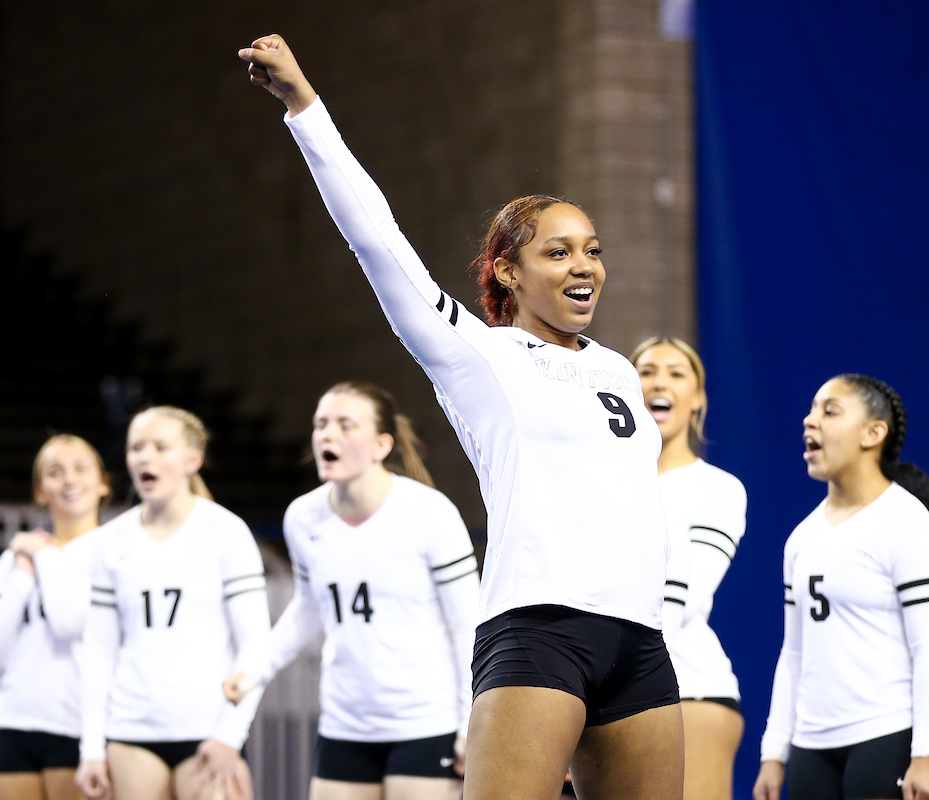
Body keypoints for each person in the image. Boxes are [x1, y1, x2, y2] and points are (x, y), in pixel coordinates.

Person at [238, 35, 682, 800]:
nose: (585, 267)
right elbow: (377, 242)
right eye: (559, 252)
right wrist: (303, 107)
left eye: (594, 251)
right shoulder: (481, 357)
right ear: (509, 270)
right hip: (539, 632)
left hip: (638, 641)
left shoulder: (616, 368)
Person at [222, 382, 478, 800]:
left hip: (424, 724)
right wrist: (255, 671)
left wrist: (471, 725)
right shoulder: (303, 517)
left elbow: (468, 624)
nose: (328, 434)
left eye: (345, 425)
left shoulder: (429, 513)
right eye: (321, 424)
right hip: (344, 724)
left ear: (380, 445)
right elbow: (309, 605)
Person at [754, 375, 929, 800]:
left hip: (889, 735)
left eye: (830, 411)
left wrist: (926, 753)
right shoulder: (801, 539)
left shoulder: (907, 523)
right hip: (812, 746)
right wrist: (774, 753)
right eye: (811, 410)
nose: (810, 421)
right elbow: (793, 655)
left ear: (873, 433)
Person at [74, 407, 270, 800]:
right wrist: (91, 749)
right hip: (131, 734)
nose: (145, 457)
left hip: (207, 730)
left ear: (192, 460)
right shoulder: (111, 542)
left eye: (161, 447)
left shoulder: (225, 532)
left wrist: (231, 735)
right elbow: (98, 651)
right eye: (136, 448)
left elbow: (257, 645)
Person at [632, 337, 746, 800]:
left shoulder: (718, 488)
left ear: (697, 398)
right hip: (601, 689)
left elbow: (686, 597)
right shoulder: (602, 480)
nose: (660, 381)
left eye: (677, 373)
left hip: (689, 688)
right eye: (647, 371)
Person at [0, 435, 111, 800]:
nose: (69, 480)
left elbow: (69, 621)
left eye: (80, 469)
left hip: (79, 726)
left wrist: (44, 557)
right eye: (55, 472)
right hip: (14, 722)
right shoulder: (16, 558)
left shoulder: (112, 552)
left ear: (103, 482)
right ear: (40, 491)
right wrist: (23, 577)